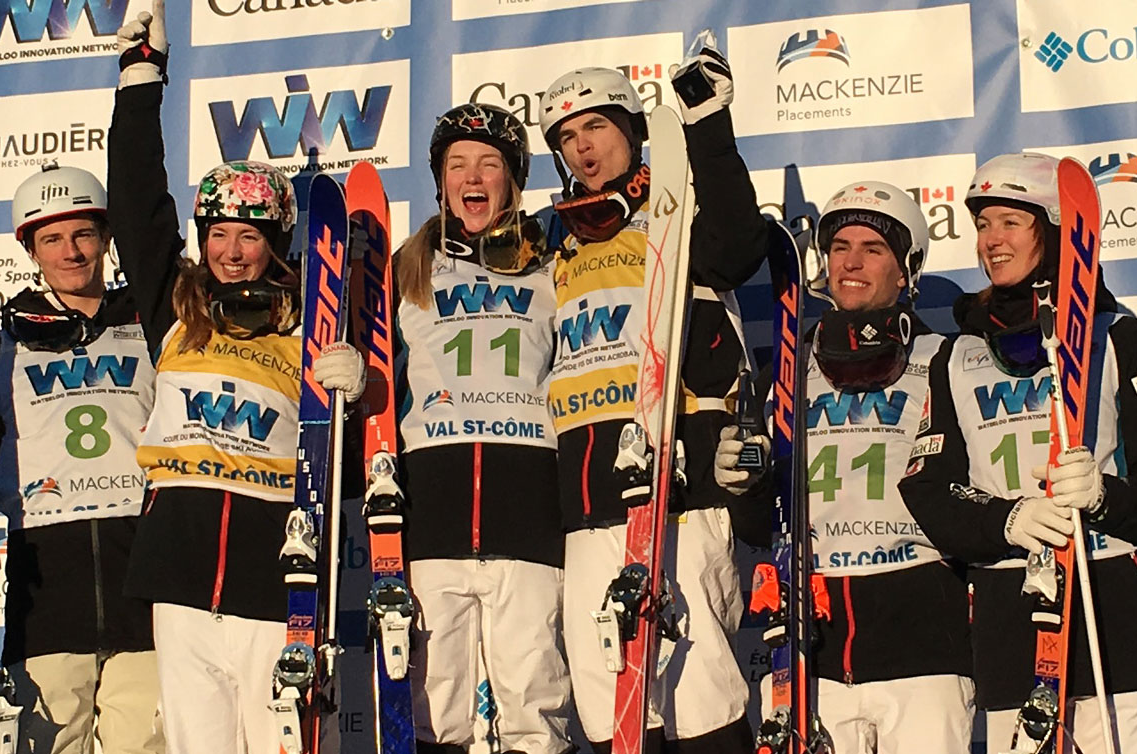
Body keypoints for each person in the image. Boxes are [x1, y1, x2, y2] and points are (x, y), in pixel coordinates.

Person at [106, 4, 363, 751]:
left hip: (272, 577)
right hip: (179, 579)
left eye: (248, 235)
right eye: (217, 233)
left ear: (276, 241)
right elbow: (135, 209)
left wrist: (356, 395)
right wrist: (140, 81)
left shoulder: (309, 327)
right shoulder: (178, 311)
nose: (231, 252)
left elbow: (338, 471)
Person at [897, 152, 1137, 754]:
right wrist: (1004, 518)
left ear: (1054, 227)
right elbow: (928, 487)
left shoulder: (1123, 338)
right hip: (1010, 612)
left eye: (1010, 223)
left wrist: (1105, 497)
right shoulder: (957, 356)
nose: (991, 240)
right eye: (983, 224)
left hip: (1116, 606)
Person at [536, 34, 767, 754]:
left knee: (699, 699)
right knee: (615, 711)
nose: (583, 148)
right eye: (568, 137)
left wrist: (707, 128)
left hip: (683, 491)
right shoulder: (554, 244)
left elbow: (739, 247)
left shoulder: (679, 214)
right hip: (587, 505)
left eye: (597, 127)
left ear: (634, 132)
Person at [341, 101, 572, 754]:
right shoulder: (406, 269)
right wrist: (358, 384)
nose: (473, 177)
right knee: (434, 708)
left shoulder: (552, 266)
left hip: (529, 511)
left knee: (534, 700)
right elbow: (373, 395)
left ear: (514, 179)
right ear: (440, 179)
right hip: (429, 517)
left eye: (489, 164)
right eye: (457, 164)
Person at [714, 181, 974, 754]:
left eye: (873, 248)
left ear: (907, 269)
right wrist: (741, 485)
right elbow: (762, 526)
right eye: (839, 247)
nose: (851, 262)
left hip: (924, 649)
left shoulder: (948, 360)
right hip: (814, 649)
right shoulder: (787, 365)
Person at [0, 163, 165, 754]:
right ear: (31, 250)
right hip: (46, 598)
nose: (71, 251)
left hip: (146, 583)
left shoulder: (153, 331)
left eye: (84, 234)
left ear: (107, 238)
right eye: (52, 239)